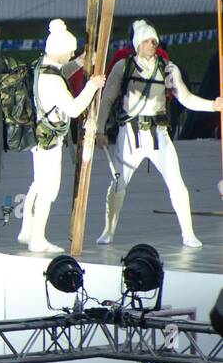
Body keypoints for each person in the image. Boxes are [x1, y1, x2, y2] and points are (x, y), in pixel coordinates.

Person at [96, 19, 223, 248]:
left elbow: (185, 97)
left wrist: (212, 106)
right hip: (131, 135)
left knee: (177, 184)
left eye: (154, 41)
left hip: (159, 134)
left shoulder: (167, 67)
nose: (152, 44)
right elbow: (107, 100)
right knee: (117, 185)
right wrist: (99, 129)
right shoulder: (123, 67)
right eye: (146, 41)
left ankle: (188, 233)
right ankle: (108, 230)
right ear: (137, 44)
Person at [16, 20, 106, 253]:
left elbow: (61, 72)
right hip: (50, 140)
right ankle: (38, 239)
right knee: (49, 189)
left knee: (37, 184)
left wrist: (78, 63)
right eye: (70, 51)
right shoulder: (54, 81)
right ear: (60, 50)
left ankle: (27, 230)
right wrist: (93, 86)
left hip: (37, 135)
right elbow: (75, 109)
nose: (73, 53)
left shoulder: (41, 67)